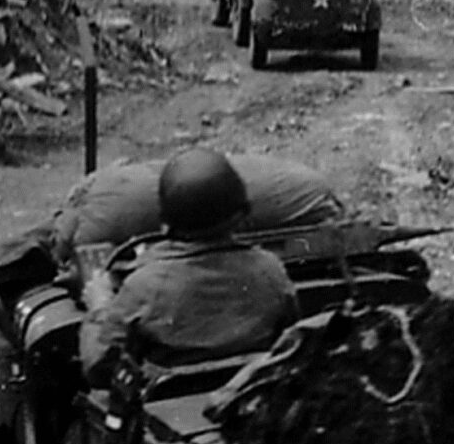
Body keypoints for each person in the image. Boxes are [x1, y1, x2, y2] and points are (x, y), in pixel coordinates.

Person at [79, 149, 297, 381]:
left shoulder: (143, 285)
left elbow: (99, 367)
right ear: (241, 213)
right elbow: (290, 340)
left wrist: (99, 307)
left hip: (162, 409)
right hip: (247, 405)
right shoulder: (270, 270)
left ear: (165, 222)